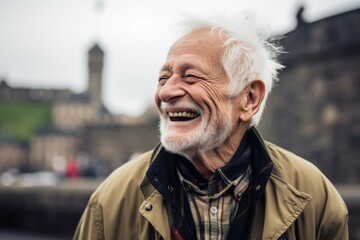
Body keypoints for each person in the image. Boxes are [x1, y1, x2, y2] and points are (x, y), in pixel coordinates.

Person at [74, 13, 348, 240]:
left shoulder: (315, 198)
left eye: (191, 76)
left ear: (249, 98)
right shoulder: (111, 201)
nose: (165, 93)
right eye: (163, 78)